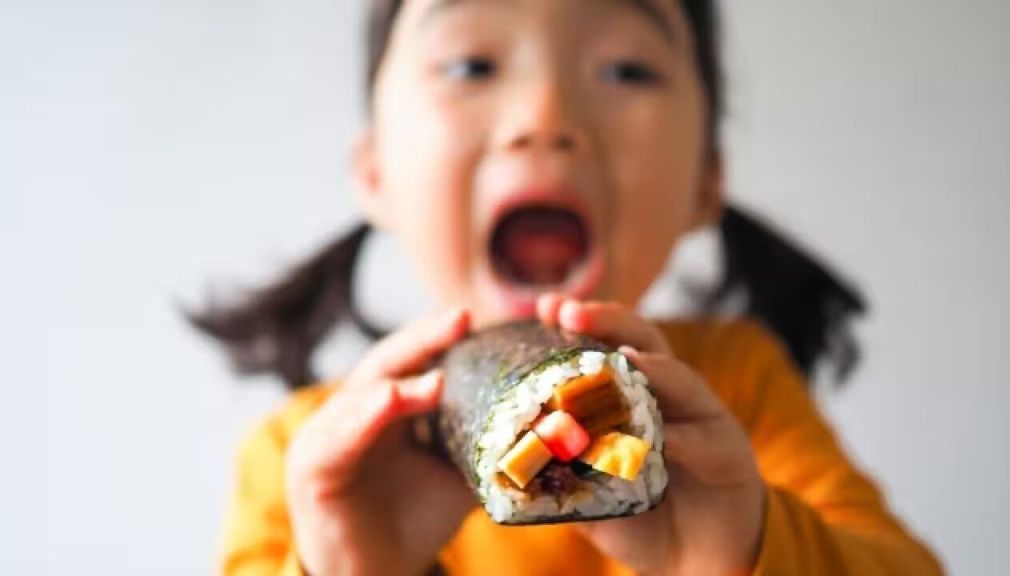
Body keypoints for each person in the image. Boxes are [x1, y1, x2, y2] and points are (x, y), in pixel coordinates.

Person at [193, 0, 943, 574]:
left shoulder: (736, 389)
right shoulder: (306, 460)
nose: (545, 116)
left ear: (706, 182)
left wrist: (738, 550)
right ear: (375, 173)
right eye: (470, 66)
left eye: (627, 70)